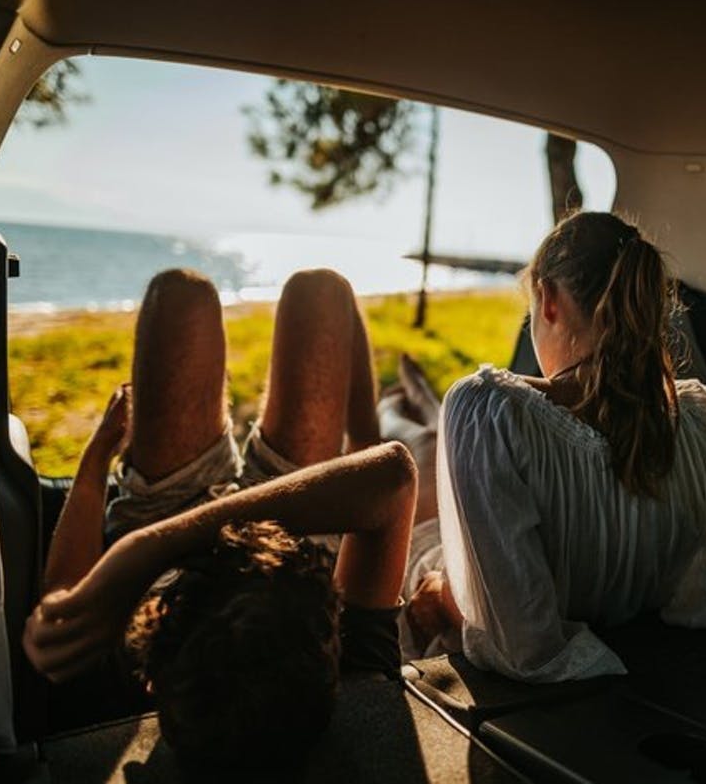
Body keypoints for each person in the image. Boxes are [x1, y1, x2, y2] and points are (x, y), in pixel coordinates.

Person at [23, 268, 416, 771]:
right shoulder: (354, 673)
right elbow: (394, 474)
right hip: (292, 533)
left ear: (151, 675)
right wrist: (150, 552)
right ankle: (358, 420)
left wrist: (100, 462)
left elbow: (60, 595)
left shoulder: (125, 665)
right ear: (333, 652)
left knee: (181, 296)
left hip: (171, 516)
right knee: (321, 293)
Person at [401, 212, 706, 682]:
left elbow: (524, 648)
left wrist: (442, 600)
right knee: (427, 445)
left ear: (548, 300)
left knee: (413, 462)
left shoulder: (489, 411)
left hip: (443, 568)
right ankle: (412, 403)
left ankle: (406, 405)